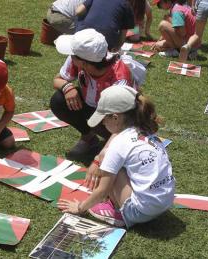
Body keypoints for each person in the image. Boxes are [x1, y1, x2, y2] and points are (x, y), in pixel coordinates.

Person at [58, 85, 175, 228]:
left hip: (139, 213)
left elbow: (102, 191)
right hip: (165, 204)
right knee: (118, 163)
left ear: (115, 118)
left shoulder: (118, 143)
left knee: (110, 166)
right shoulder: (147, 129)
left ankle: (121, 214)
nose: (102, 123)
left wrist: (80, 207)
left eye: (103, 119)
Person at [51, 28, 136, 161]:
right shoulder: (83, 59)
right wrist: (67, 87)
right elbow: (57, 80)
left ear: (84, 62)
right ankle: (89, 137)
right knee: (58, 100)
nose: (70, 57)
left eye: (73, 55)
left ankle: (114, 145)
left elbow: (121, 119)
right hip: (93, 109)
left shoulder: (119, 79)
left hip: (116, 117)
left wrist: (101, 158)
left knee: (120, 144)